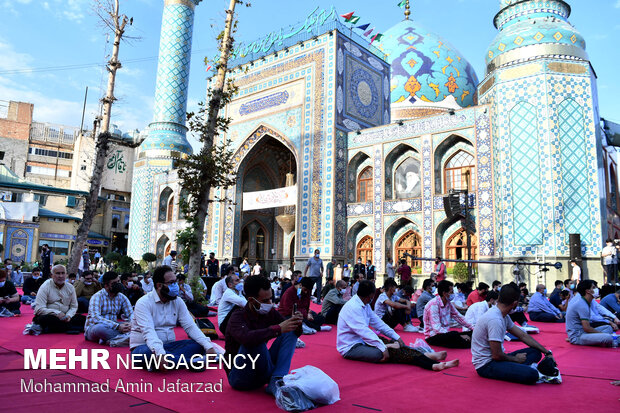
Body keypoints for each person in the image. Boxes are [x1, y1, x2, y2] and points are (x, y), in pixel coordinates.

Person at [337, 280, 459, 371]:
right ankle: (430, 364)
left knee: (396, 346)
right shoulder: (353, 307)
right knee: (382, 353)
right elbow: (363, 331)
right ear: (370, 295)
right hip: (351, 347)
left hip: (363, 340)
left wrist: (396, 336)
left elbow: (379, 324)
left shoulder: (366, 305)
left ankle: (426, 357)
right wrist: (383, 347)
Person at [130, 265, 220, 371]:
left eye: (176, 282)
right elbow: (148, 332)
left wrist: (208, 345)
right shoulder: (144, 303)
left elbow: (190, 326)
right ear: (159, 285)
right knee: (146, 353)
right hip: (146, 347)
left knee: (198, 345)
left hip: (170, 347)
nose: (176, 286)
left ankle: (166, 362)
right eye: (171, 283)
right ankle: (189, 362)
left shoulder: (177, 301)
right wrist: (160, 353)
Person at [224, 275, 302, 395]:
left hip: (262, 371)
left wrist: (296, 323)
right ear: (251, 300)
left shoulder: (269, 312)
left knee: (289, 331)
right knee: (255, 340)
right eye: (265, 301)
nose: (270, 303)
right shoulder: (237, 316)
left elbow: (291, 331)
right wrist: (277, 329)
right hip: (240, 377)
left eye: (271, 299)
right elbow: (247, 338)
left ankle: (276, 380)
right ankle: (272, 379)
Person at [472, 283, 553, 385]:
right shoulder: (495, 319)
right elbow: (496, 355)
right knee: (532, 375)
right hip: (487, 365)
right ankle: (526, 368)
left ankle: (521, 368)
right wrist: (515, 359)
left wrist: (547, 352)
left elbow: (523, 335)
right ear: (515, 303)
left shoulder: (503, 315)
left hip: (499, 358)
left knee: (535, 352)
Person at [32, 265, 85, 334]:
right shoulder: (45, 286)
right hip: (51, 316)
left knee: (84, 319)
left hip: (66, 317)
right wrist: (57, 313)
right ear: (52, 275)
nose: (61, 276)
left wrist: (68, 316)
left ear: (66, 275)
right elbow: (39, 309)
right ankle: (71, 328)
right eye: (58, 273)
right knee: (44, 319)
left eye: (63, 273)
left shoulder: (70, 287)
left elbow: (74, 306)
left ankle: (63, 328)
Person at [84, 271, 133, 345]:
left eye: (118, 282)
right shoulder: (97, 297)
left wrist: (130, 324)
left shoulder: (122, 297)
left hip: (114, 326)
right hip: (95, 327)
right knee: (100, 329)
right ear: (106, 285)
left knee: (133, 326)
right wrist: (118, 326)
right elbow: (96, 318)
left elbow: (131, 313)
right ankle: (126, 338)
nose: (118, 285)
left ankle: (115, 340)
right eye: (114, 283)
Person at [424, 280, 474, 348]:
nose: (453, 294)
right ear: (444, 293)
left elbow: (459, 317)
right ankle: (471, 342)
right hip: (433, 336)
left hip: (446, 333)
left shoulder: (448, 303)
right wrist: (458, 336)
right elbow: (437, 329)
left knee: (471, 332)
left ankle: (469, 340)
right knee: (454, 334)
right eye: (451, 292)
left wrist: (474, 328)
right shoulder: (433, 304)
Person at [566, 280, 613, 347]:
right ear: (587, 291)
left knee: (608, 328)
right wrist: (601, 334)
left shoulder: (585, 302)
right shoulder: (582, 304)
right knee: (608, 337)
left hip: (583, 332)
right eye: (593, 287)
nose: (596, 289)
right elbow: (587, 328)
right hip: (578, 336)